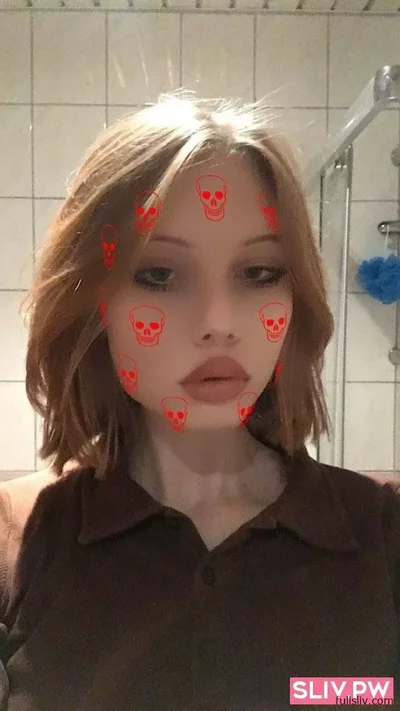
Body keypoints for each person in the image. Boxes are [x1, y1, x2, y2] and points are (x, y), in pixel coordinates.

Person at [0, 91, 398, 711]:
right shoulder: (17, 538)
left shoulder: (383, 530)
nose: (218, 323)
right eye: (159, 275)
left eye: (259, 272)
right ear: (95, 305)